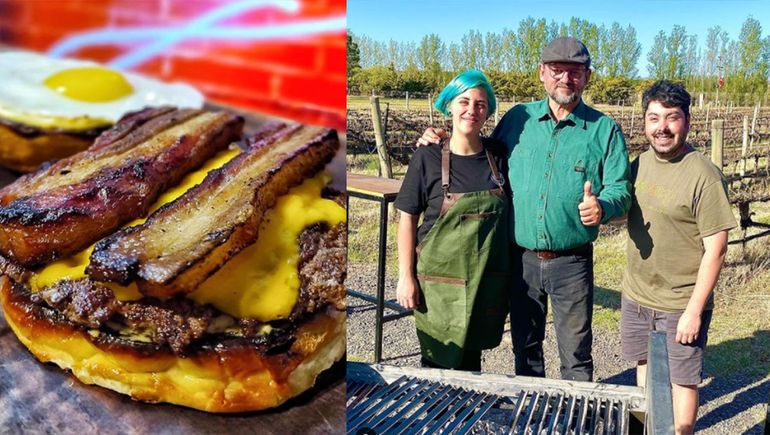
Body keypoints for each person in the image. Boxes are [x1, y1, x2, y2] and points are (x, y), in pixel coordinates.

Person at [418, 37, 631, 381]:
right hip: (520, 260)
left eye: (575, 72)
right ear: (542, 73)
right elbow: (481, 151)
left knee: (576, 352)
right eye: (557, 70)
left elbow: (621, 189)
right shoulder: (519, 118)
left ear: (587, 76)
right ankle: (531, 408)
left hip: (572, 263)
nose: (566, 79)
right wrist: (444, 137)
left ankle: (575, 410)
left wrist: (603, 207)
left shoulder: (603, 130)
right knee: (525, 346)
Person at [621, 80, 736, 434]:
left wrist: (693, 311)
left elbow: (716, 248)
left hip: (680, 303)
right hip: (638, 295)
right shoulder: (638, 165)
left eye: (672, 117)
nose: (662, 127)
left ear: (687, 120)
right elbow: (622, 211)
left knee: (682, 379)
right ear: (645, 122)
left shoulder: (703, 176)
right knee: (644, 366)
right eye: (654, 118)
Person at [394, 69, 511, 371]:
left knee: (471, 363)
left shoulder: (499, 156)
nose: (472, 110)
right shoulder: (427, 156)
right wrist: (406, 277)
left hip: (484, 282)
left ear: (488, 112)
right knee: (436, 362)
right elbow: (407, 218)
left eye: (480, 104)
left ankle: (466, 403)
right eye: (464, 101)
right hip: (438, 285)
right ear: (449, 105)